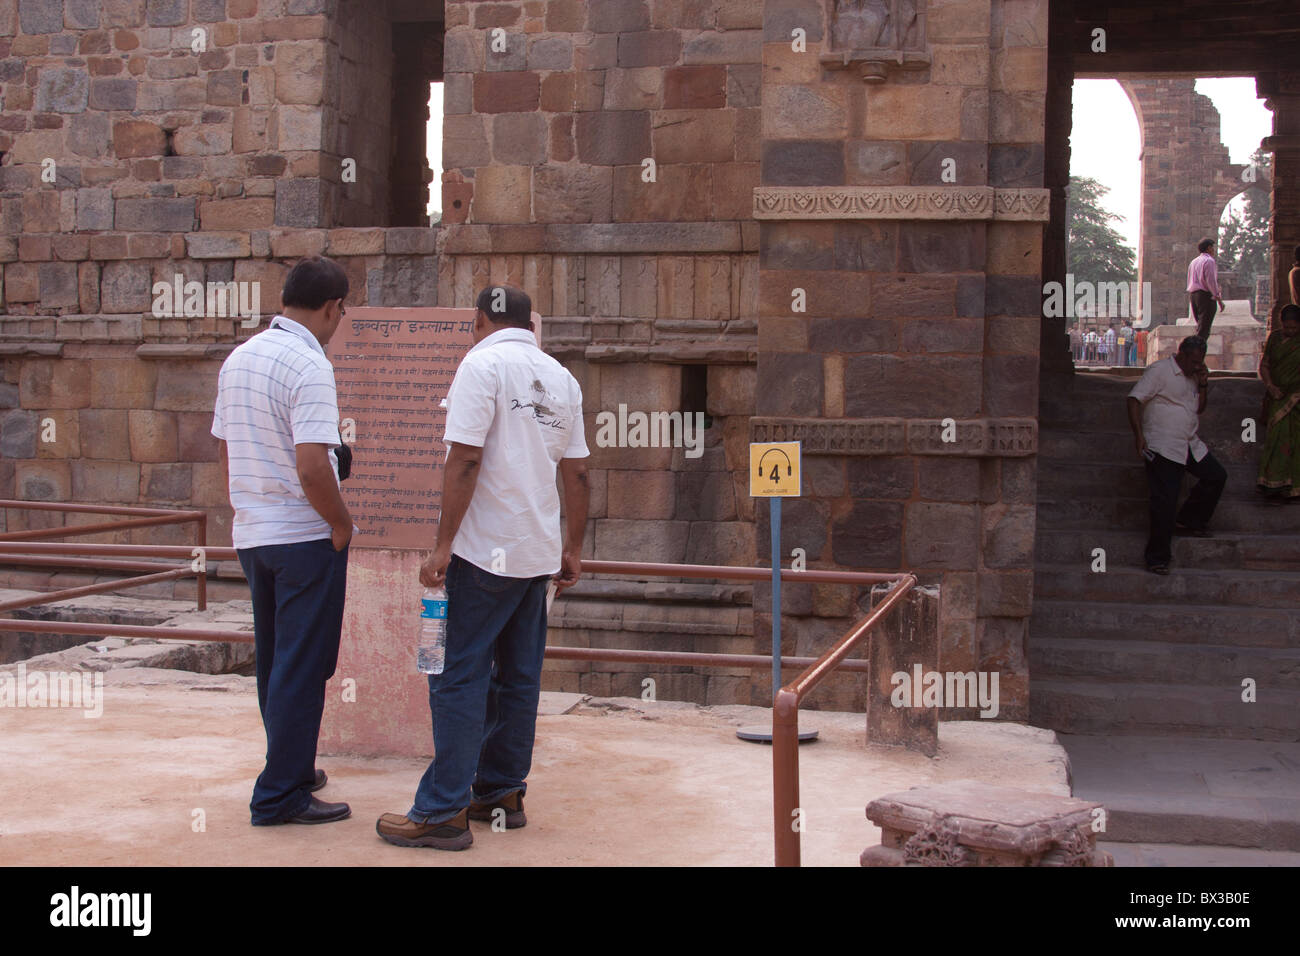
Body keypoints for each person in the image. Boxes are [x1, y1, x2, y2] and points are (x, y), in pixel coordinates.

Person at [377, 284, 591, 851]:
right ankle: (499, 791)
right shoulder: (560, 378)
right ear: (529, 323)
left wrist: (443, 544)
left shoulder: (481, 364)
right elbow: (578, 474)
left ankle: (442, 809)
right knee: (518, 677)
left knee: (457, 676)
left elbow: (465, 457)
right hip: (537, 555)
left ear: (478, 321)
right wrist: (572, 548)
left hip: (483, 553)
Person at [211, 256, 354, 826]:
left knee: (276, 661)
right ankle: (278, 795)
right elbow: (313, 467)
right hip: (301, 535)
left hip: (255, 533)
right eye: (342, 310)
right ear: (331, 307)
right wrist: (340, 524)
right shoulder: (310, 365)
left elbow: (225, 448)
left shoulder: (240, 357)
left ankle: (289, 767)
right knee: (304, 664)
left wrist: (251, 500)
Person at [1126, 335, 1227, 574]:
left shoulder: (1194, 375)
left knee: (1216, 476)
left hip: (1189, 443)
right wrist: (1139, 436)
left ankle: (1190, 519)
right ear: (1181, 355)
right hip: (1163, 445)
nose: (1197, 366)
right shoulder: (1160, 371)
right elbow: (1133, 400)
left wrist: (1203, 384)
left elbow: (1200, 409)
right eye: (1193, 361)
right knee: (1164, 503)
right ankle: (1157, 558)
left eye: (1200, 362)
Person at [1256, 304, 1300, 503]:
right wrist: (1271, 386)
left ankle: (1294, 487)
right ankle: (1272, 483)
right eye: (1286, 327)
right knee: (1276, 438)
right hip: (1277, 395)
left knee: (1296, 442)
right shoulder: (1274, 338)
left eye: (1294, 328)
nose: (1290, 331)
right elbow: (1264, 365)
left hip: (1297, 396)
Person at [1187, 237, 1226, 340]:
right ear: (1208, 248)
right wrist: (1219, 299)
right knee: (1203, 331)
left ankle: (1194, 352)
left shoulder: (1193, 262)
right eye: (1212, 248)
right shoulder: (1209, 261)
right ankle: (1195, 353)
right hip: (1205, 296)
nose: (1214, 250)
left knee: (1200, 328)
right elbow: (1211, 281)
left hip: (1194, 296)